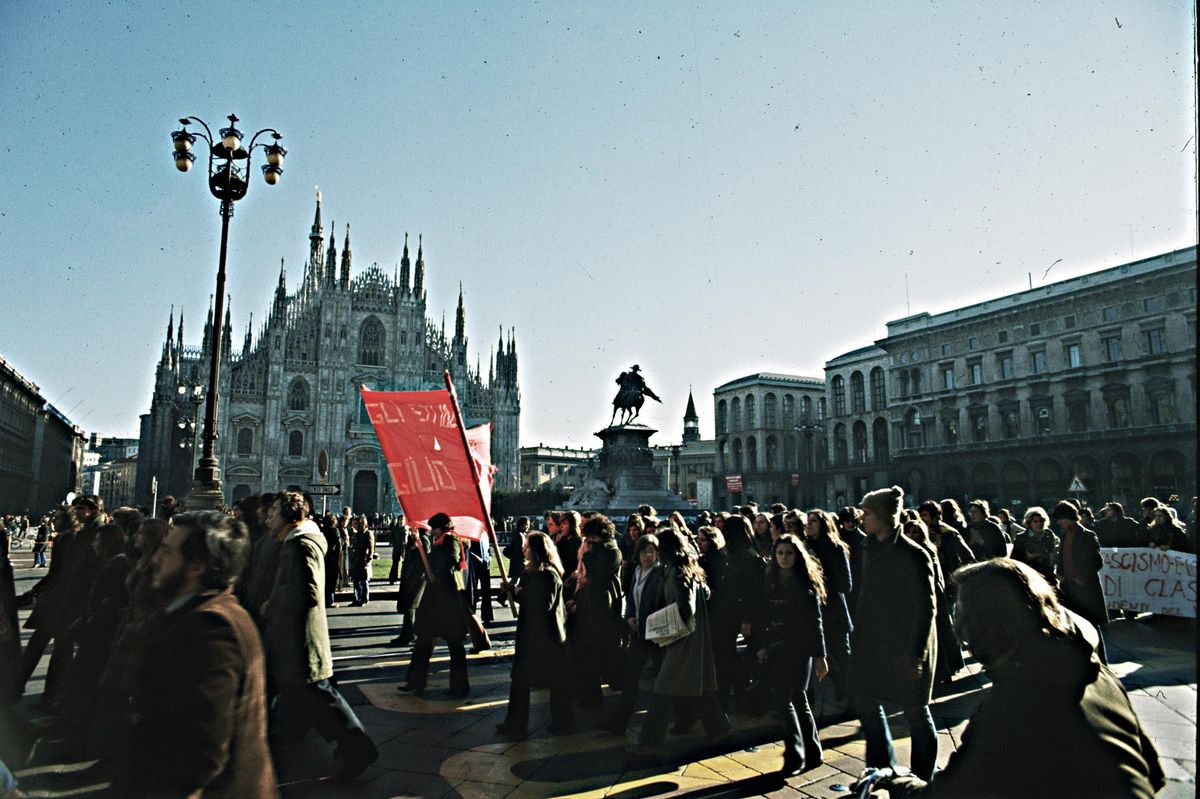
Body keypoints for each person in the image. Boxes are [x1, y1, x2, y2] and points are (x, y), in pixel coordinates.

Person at [859, 559, 1165, 798]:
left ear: (981, 626)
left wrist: (898, 781)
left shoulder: (1010, 707)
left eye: (961, 612)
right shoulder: (1097, 674)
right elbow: (1152, 772)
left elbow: (949, 794)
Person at [114, 511, 278, 799]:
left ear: (196, 567)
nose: (155, 560)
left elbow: (199, 752)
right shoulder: (206, 613)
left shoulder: (211, 628)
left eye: (167, 552)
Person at [263, 492, 378, 779]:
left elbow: (309, 592)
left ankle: (359, 747)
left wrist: (273, 603)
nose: (268, 517)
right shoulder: (292, 542)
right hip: (294, 636)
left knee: (321, 695)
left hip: (300, 637)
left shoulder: (301, 545)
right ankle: (290, 730)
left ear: (290, 516)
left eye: (273, 512)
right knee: (305, 692)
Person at [849, 486, 938, 781]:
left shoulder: (913, 554)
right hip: (873, 643)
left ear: (884, 516)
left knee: (915, 711)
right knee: (865, 701)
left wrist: (915, 654)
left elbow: (926, 607)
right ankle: (880, 768)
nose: (862, 518)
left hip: (905, 644)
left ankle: (922, 780)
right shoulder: (868, 547)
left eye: (868, 512)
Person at [628, 528, 732, 760]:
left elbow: (686, 609)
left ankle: (649, 745)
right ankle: (720, 730)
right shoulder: (690, 569)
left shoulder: (675, 573)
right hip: (696, 640)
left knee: (661, 692)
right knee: (703, 687)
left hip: (682, 642)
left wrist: (662, 621)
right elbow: (705, 594)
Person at [758, 533, 828, 777]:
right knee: (797, 699)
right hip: (777, 647)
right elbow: (764, 617)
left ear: (797, 556)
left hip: (799, 649)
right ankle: (813, 751)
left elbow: (815, 621)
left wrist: (820, 656)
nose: (784, 558)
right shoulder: (770, 580)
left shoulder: (805, 583)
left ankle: (795, 755)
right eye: (780, 553)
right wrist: (762, 645)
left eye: (789, 553)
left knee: (785, 699)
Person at [496, 532, 574, 738]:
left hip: (547, 636)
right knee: (520, 679)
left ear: (538, 550)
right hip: (531, 634)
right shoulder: (530, 571)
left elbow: (542, 604)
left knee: (556, 681)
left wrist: (519, 592)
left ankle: (563, 722)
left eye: (527, 546)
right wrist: (512, 591)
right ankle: (515, 723)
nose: (524, 549)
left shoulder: (548, 573)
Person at [398, 513, 470, 698]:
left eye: (434, 529)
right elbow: (433, 560)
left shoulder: (451, 539)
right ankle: (415, 681)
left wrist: (433, 564)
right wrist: (420, 550)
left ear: (441, 527)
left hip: (448, 600)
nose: (432, 532)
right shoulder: (440, 541)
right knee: (423, 641)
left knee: (454, 644)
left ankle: (459, 686)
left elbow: (451, 563)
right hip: (435, 600)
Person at [604, 533, 666, 734]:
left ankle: (684, 715)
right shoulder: (636, 571)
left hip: (656, 636)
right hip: (638, 635)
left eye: (652, 552)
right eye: (644, 552)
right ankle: (619, 722)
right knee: (630, 680)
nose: (648, 556)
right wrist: (629, 616)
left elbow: (662, 602)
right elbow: (631, 598)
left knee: (665, 680)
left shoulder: (660, 573)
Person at [570, 514, 624, 707]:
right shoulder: (598, 549)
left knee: (599, 652)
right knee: (588, 652)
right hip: (591, 605)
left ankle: (615, 685)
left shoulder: (611, 551)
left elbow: (595, 572)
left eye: (591, 537)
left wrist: (588, 553)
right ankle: (590, 695)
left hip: (603, 606)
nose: (588, 541)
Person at [802, 510, 853, 700]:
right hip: (813, 611)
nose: (809, 524)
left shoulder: (836, 548)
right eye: (807, 521)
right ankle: (841, 689)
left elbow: (846, 584)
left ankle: (852, 694)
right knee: (823, 654)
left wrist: (821, 581)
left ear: (823, 524)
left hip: (834, 609)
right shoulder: (805, 547)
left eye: (813, 521)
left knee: (842, 654)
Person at [1052, 500, 1108, 665]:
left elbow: (1097, 562)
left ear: (1070, 516)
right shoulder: (1064, 535)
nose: (1059, 522)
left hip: (1085, 587)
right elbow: (1063, 558)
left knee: (1092, 625)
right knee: (1074, 624)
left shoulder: (1086, 535)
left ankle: (1102, 662)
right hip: (1069, 586)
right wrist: (1060, 573)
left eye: (1061, 518)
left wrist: (1082, 577)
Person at [391, 525, 428, 646]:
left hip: (417, 577)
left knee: (411, 606)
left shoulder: (423, 538)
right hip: (410, 575)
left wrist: (419, 547)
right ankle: (407, 634)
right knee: (409, 605)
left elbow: (427, 557)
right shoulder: (414, 538)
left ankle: (409, 635)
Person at [1011, 506, 1059, 582]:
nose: (1039, 524)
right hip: (1029, 576)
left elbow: (1052, 553)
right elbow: (1014, 559)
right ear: (1029, 523)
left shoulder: (1049, 535)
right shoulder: (1021, 537)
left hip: (1047, 575)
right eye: (1035, 521)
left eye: (1041, 521)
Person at [348, 515, 374, 606]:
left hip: (363, 559)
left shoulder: (368, 533)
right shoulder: (356, 534)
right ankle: (356, 598)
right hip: (356, 559)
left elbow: (371, 548)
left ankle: (364, 599)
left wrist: (369, 560)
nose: (354, 526)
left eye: (356, 524)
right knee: (356, 580)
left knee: (364, 580)